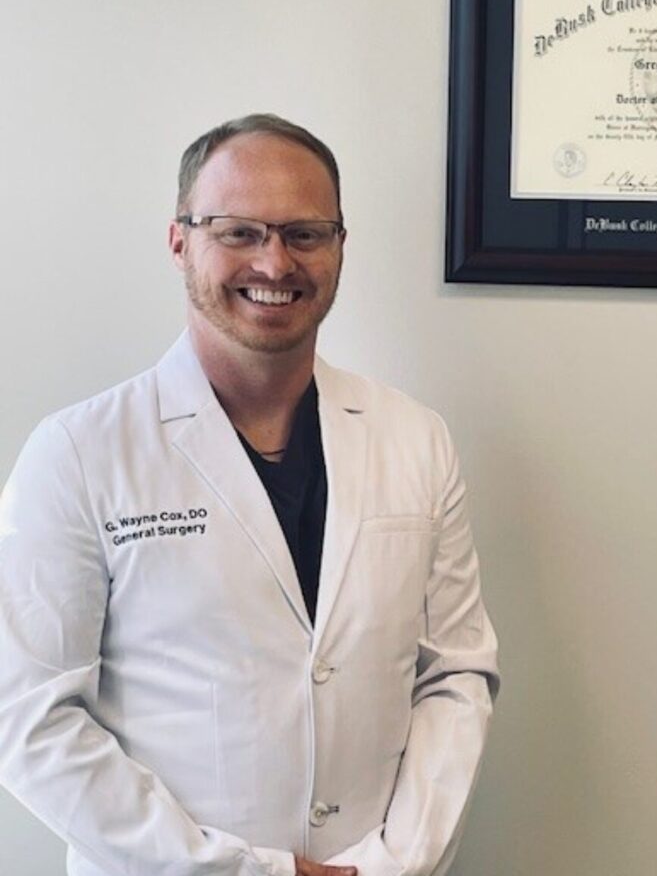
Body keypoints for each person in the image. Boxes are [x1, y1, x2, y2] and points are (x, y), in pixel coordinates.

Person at [0, 114, 499, 876]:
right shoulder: (78, 454)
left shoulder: (415, 439)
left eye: (305, 233)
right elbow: (30, 721)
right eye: (238, 231)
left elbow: (455, 672)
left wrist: (400, 861)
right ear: (180, 242)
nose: (275, 260)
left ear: (338, 246)